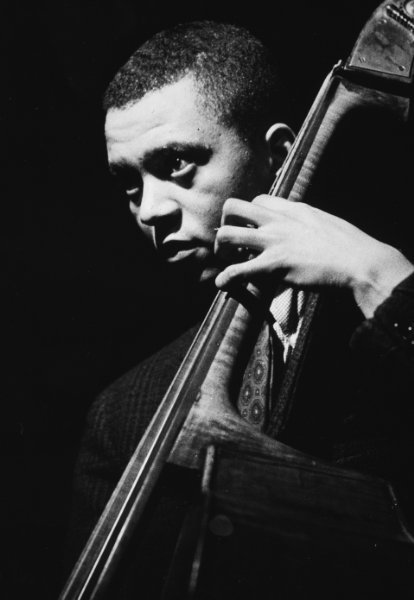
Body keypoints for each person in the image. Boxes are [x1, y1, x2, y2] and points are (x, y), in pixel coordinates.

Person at [66, 20, 414, 598]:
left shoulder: (387, 298)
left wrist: (377, 274)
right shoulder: (123, 414)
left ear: (278, 155)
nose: (149, 210)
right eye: (129, 183)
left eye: (177, 162)